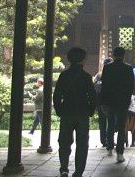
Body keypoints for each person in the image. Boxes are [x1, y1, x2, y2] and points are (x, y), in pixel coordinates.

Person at [53, 47, 97, 177]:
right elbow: (93, 97)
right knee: (82, 144)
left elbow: (57, 96)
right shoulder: (86, 77)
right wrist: (90, 111)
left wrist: (59, 110)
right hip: (82, 113)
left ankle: (64, 168)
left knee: (64, 142)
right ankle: (78, 171)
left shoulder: (64, 75)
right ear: (82, 60)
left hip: (67, 112)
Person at [100, 46, 135, 163]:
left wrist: (103, 102)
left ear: (113, 55)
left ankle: (110, 147)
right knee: (121, 126)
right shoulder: (128, 68)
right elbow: (131, 85)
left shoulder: (107, 67)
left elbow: (104, 85)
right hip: (123, 101)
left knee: (110, 124)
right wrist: (128, 98)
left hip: (110, 100)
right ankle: (120, 153)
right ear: (124, 55)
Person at [94, 58, 113, 148]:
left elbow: (94, 88)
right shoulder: (112, 75)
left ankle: (103, 140)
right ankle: (109, 140)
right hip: (110, 101)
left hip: (100, 102)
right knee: (111, 121)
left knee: (102, 122)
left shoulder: (98, 75)